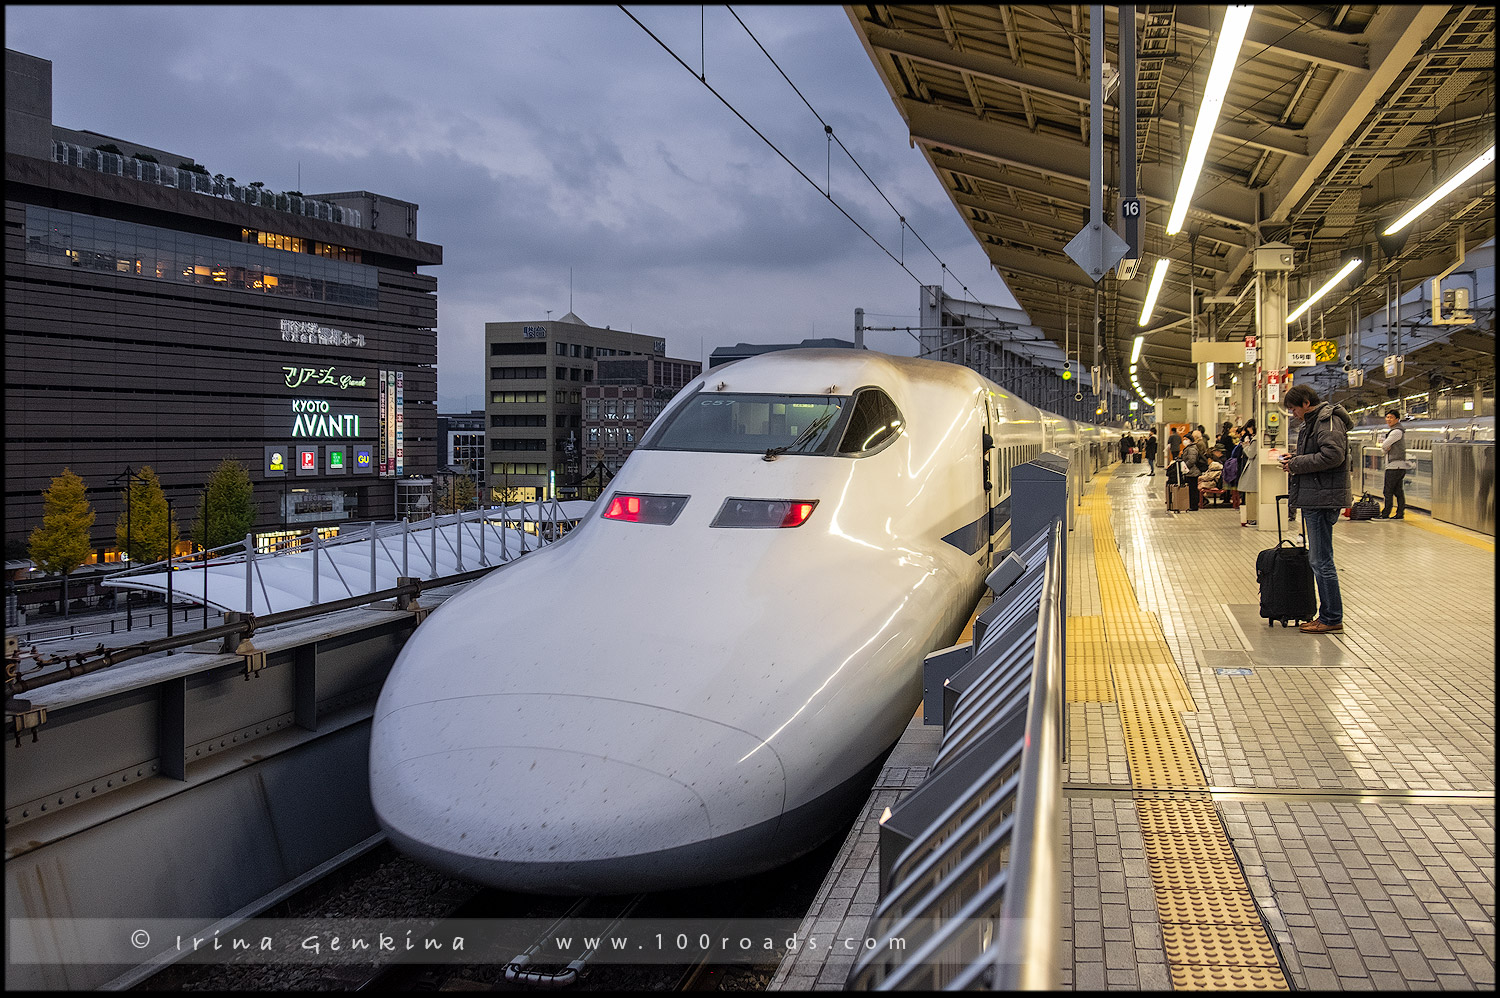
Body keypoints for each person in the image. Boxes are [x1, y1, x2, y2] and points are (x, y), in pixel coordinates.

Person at [1279, 385, 1353, 634]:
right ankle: (1328, 615)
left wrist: (1297, 463)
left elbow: (1333, 456)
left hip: (1322, 498)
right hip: (1317, 495)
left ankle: (1331, 618)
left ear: (1306, 403)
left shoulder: (1327, 421)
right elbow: (1320, 454)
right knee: (1320, 560)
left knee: (1322, 561)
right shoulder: (1315, 422)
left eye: (1294, 409)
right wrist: (1295, 460)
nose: (1293, 414)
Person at [1379, 409, 1412, 519]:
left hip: (1394, 466)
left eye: (1391, 417)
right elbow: (1384, 448)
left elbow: (1384, 446)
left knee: (1388, 491)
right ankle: (1399, 513)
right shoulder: (1396, 431)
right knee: (1398, 491)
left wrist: (1384, 449)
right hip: (1397, 466)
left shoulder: (1396, 431)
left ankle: (1385, 514)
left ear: (1397, 419)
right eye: (1387, 417)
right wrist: (1384, 449)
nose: (1388, 419)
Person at [1237, 418, 1259, 526]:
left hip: (1253, 470)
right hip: (1254, 470)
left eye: (1249, 428)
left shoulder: (1256, 439)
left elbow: (1251, 454)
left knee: (1251, 496)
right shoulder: (1257, 438)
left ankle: (1253, 518)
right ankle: (1252, 518)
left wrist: (1245, 446)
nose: (1248, 431)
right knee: (1251, 494)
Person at [1181, 431, 1203, 510]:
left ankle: (1194, 506)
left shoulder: (1192, 449)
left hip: (1192, 472)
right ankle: (1191, 505)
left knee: (1193, 489)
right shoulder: (1189, 448)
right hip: (1190, 472)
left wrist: (1184, 467)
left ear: (1190, 440)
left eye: (1186, 439)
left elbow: (1192, 460)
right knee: (1191, 489)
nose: (1184, 441)